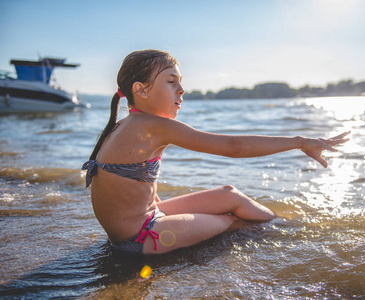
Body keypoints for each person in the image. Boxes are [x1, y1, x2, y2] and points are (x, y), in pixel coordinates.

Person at [82, 49, 349, 255]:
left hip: (148, 217)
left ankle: (283, 225)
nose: (182, 89)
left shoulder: (126, 124)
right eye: (171, 81)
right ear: (140, 90)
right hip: (140, 238)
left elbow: (136, 190)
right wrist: (300, 142)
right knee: (234, 222)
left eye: (180, 82)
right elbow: (234, 147)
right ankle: (293, 235)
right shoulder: (154, 126)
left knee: (229, 194)